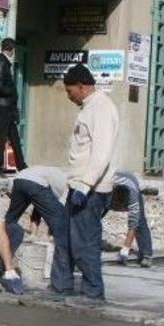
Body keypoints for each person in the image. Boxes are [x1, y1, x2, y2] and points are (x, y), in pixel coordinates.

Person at [57, 64, 119, 300]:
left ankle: (92, 291)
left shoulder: (102, 108)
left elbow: (101, 153)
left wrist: (85, 186)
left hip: (91, 191)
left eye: (69, 91)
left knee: (84, 242)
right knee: (63, 239)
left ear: (81, 86)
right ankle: (60, 286)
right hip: (77, 187)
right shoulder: (88, 108)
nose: (68, 95)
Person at [5, 166, 71, 292]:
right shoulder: (68, 187)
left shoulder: (55, 177)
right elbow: (59, 214)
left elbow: (39, 205)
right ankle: (63, 267)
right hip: (35, 183)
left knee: (10, 220)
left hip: (19, 180)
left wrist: (33, 233)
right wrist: (54, 232)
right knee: (61, 222)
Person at [0, 38, 27, 175]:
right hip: (2, 107)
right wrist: (10, 92)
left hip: (7, 107)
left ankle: (21, 165)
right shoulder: (1, 63)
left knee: (14, 137)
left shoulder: (4, 63)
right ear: (10, 49)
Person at [105, 172, 153, 268]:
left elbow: (133, 224)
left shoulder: (133, 196)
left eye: (122, 207)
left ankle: (146, 255)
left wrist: (125, 249)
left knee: (140, 221)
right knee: (93, 217)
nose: (120, 210)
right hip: (109, 184)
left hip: (131, 182)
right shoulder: (106, 192)